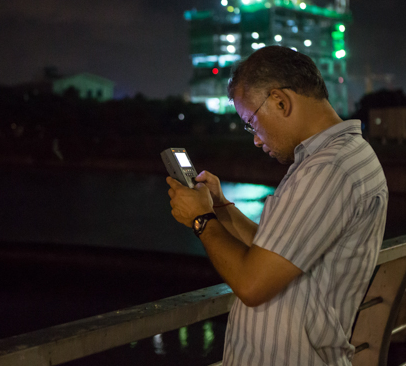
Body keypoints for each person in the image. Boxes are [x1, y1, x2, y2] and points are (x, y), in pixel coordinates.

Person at [166, 45, 388, 365]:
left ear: (280, 101)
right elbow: (278, 250)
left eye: (251, 122)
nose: (256, 139)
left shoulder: (328, 169)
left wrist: (201, 219)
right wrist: (221, 208)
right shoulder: (338, 157)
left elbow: (252, 284)